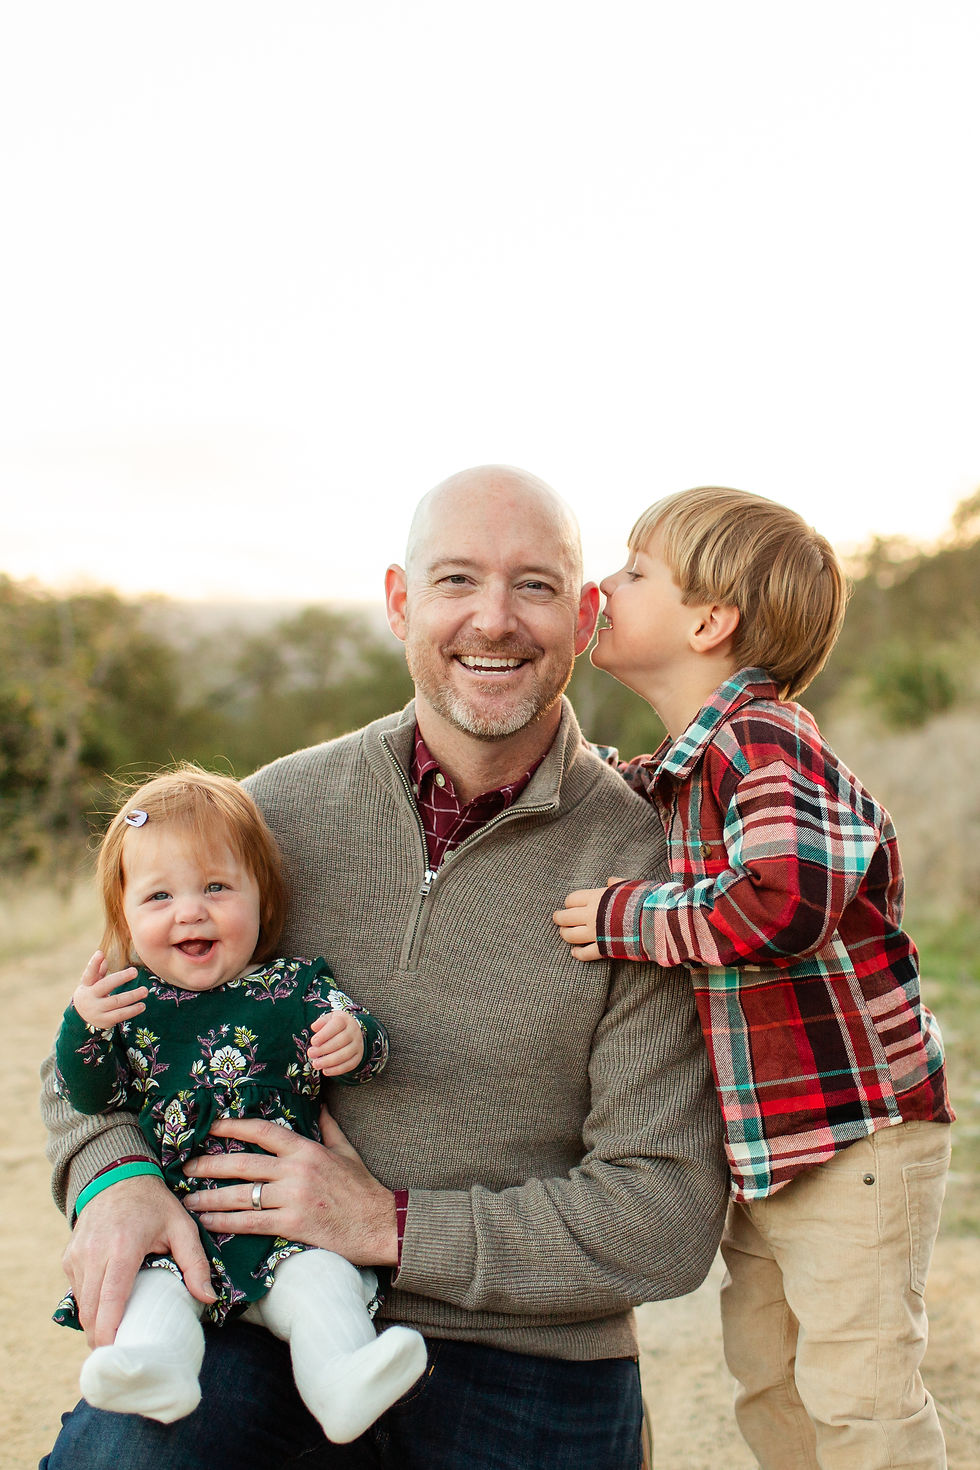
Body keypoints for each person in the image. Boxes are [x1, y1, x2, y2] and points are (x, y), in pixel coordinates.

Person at [40, 464, 728, 1470]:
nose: (491, 620)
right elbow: (94, 1045)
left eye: (532, 585)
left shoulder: (646, 872)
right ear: (401, 601)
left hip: (528, 1352)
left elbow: (662, 1215)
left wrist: (387, 1225)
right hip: (256, 1305)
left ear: (584, 617)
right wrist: (114, 1176)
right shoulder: (270, 815)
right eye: (456, 581)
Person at [554, 485, 955, 1469]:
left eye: (632, 571)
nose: (603, 584)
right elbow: (624, 794)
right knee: (768, 1377)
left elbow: (782, 899)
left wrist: (626, 918)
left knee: (858, 1395)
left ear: (707, 620)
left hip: (854, 1129)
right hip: (774, 1140)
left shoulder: (762, 740)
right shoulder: (690, 766)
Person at [52, 765, 426, 1441]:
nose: (190, 911)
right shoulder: (129, 1005)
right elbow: (87, 1096)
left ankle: (341, 1381)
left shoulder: (294, 987)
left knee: (323, 1288)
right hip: (177, 1224)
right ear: (125, 917)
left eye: (217, 887)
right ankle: (153, 1371)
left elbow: (369, 1048)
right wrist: (82, 1026)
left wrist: (353, 1039)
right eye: (159, 895)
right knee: (154, 1291)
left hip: (289, 1231)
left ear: (264, 901)